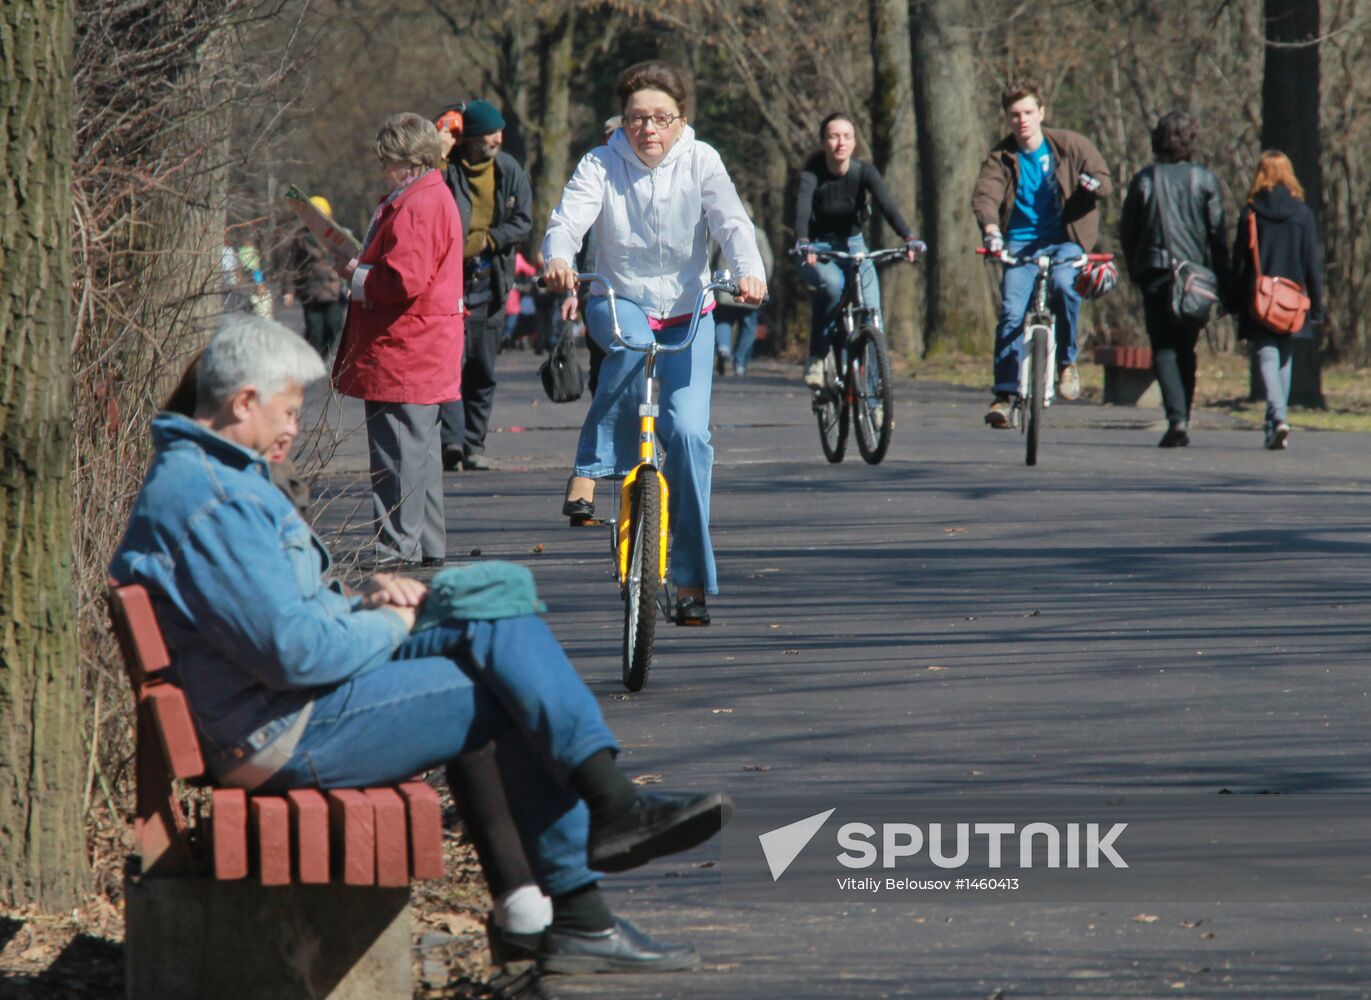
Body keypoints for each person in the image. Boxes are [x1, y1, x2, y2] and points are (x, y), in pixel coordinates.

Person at [110, 314, 734, 975]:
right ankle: (577, 904)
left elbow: (272, 624)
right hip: (279, 731)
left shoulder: (213, 478)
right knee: (497, 693)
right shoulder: (212, 499)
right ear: (243, 402)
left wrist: (362, 603)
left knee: (492, 607)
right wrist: (391, 624)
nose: (294, 426)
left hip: (283, 703)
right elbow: (291, 651)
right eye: (288, 410)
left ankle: (604, 811)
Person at [542, 61, 766, 626]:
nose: (649, 129)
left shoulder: (702, 159)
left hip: (690, 310)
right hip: (619, 301)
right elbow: (568, 220)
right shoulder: (600, 163)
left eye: (661, 118)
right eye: (638, 118)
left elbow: (732, 221)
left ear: (680, 120)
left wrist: (748, 269)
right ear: (624, 121)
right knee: (630, 348)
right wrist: (559, 259)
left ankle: (690, 580)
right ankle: (590, 470)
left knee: (688, 436)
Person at [333, 112, 461, 570]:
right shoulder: (427, 195)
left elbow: (404, 280)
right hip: (419, 346)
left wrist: (356, 276)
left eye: (386, 160)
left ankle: (396, 549)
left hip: (405, 347)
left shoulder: (418, 202)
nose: (382, 168)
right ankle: (426, 544)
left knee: (397, 455)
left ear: (407, 159)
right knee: (418, 452)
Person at [972, 79, 1111, 427]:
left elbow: (1102, 178)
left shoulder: (1069, 145)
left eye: (1029, 112)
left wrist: (1092, 185)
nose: (1022, 120)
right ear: (1007, 118)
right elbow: (985, 195)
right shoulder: (1001, 157)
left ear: (1041, 112)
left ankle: (1067, 363)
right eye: (1015, 114)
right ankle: (1003, 395)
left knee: (1066, 286)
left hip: (1066, 238)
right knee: (1010, 310)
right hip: (1019, 242)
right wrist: (991, 232)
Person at [1119, 111, 1231, 448]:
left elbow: (1128, 230)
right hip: (1194, 276)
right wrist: (1222, 278)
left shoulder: (1145, 180)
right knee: (1186, 347)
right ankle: (1184, 413)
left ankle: (1176, 417)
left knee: (1163, 348)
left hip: (1156, 271)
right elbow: (1217, 234)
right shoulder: (1204, 180)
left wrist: (1135, 267)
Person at [437, 99, 534, 472]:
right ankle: (451, 442)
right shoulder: (446, 170)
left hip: (489, 283)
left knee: (481, 367)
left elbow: (523, 221)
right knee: (447, 365)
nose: (496, 138)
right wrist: (440, 142)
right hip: (448, 284)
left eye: (498, 132)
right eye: (488, 133)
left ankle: (474, 443)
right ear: (469, 137)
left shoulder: (509, 170)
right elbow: (418, 184)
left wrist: (488, 240)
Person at [795, 113, 921, 389]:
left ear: (854, 142)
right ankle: (817, 357)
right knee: (832, 285)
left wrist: (909, 237)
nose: (841, 142)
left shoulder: (863, 172)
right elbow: (803, 209)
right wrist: (804, 242)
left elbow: (888, 206)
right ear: (824, 141)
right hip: (817, 247)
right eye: (834, 136)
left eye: (847, 136)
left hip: (853, 246)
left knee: (872, 311)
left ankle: (876, 403)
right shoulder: (812, 173)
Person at [1229, 150, 1325, 451]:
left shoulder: (1251, 213)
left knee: (1267, 357)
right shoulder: (1302, 213)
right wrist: (1317, 304)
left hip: (1260, 299)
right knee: (1284, 358)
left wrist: (1233, 299)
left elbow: (1240, 262)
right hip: (1293, 300)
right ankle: (1275, 425)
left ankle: (1278, 418)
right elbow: (1312, 262)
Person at [278, 195, 349, 358]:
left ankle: (325, 351)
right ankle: (314, 359)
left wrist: (355, 284)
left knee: (334, 325)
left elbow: (350, 259)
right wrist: (288, 290)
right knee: (315, 330)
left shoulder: (337, 235)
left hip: (335, 292)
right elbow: (290, 265)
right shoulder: (300, 237)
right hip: (310, 292)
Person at [712, 199, 773, 377]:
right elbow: (768, 261)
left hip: (725, 288)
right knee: (749, 327)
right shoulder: (759, 235)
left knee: (723, 321)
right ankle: (739, 363)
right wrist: (763, 282)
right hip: (750, 288)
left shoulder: (720, 232)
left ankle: (723, 348)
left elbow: (709, 257)